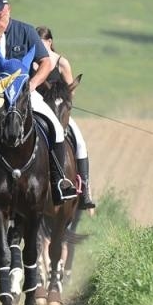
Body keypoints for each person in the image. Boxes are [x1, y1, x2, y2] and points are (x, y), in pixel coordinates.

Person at [0, 0, 78, 202]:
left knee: (55, 128)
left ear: (8, 9)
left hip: (24, 93)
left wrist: (32, 84)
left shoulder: (26, 31)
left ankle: (59, 181)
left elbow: (46, 62)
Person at [36, 25, 96, 211]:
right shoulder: (32, 62)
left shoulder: (61, 62)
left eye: (42, 43)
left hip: (59, 110)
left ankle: (84, 190)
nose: (39, 46)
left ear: (50, 42)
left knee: (79, 141)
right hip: (38, 108)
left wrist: (61, 102)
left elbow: (71, 90)